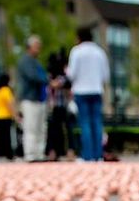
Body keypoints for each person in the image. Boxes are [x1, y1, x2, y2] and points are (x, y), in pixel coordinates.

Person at [66, 27, 110, 162]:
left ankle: (87, 155)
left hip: (81, 91)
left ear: (79, 37)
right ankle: (98, 155)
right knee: (97, 123)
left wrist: (66, 71)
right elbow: (106, 76)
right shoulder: (100, 52)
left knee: (85, 123)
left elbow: (72, 74)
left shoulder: (76, 52)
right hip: (96, 90)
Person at [17, 35, 49, 162]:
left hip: (40, 99)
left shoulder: (36, 62)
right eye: (37, 46)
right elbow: (33, 77)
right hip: (30, 99)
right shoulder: (25, 61)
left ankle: (39, 154)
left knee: (41, 128)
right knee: (31, 127)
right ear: (29, 47)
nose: (38, 49)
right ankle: (30, 154)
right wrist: (48, 81)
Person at [45, 50, 72, 160]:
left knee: (64, 130)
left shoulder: (62, 78)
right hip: (55, 107)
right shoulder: (55, 77)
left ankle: (65, 151)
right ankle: (54, 152)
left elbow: (60, 86)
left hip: (62, 106)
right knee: (54, 130)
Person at [0, 73, 16, 160]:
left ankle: (2, 154)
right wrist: (15, 115)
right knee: (7, 137)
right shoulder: (6, 90)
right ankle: (8, 155)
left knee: (0, 135)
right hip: (5, 116)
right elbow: (9, 105)